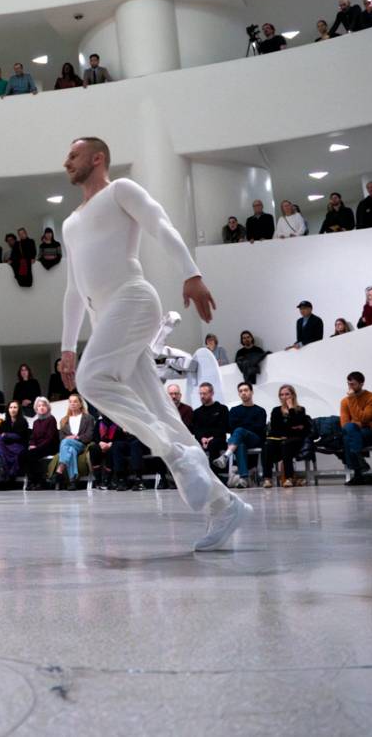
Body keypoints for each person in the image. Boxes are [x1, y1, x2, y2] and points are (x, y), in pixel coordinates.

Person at [57, 137, 247, 547]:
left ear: (97, 157)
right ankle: (224, 505)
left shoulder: (120, 190)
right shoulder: (70, 223)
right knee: (164, 412)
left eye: (73, 155)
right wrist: (67, 346)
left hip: (134, 299)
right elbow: (74, 290)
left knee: (92, 380)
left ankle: (177, 455)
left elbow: (161, 224)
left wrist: (191, 272)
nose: (66, 162)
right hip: (105, 315)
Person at [213, 382, 266, 488]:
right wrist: (247, 426)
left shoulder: (260, 411)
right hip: (239, 440)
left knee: (240, 430)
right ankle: (243, 478)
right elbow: (231, 427)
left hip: (254, 439)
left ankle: (226, 456)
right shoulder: (234, 410)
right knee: (240, 443)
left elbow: (259, 428)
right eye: (241, 391)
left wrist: (243, 427)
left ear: (251, 392)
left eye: (246, 390)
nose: (243, 393)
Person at [263, 385, 311, 487]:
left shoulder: (300, 410)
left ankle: (288, 478)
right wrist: (293, 428)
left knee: (286, 444)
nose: (284, 397)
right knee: (268, 445)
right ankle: (267, 478)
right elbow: (276, 427)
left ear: (293, 395)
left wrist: (291, 409)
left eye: (287, 394)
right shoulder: (276, 410)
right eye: (281, 395)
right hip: (279, 439)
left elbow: (296, 425)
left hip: (295, 440)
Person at [52, 394, 95, 490]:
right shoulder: (64, 420)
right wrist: (68, 437)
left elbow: (89, 435)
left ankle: (60, 469)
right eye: (70, 402)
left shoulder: (88, 418)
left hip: (81, 444)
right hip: (69, 445)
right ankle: (73, 481)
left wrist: (77, 437)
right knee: (71, 450)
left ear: (80, 404)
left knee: (66, 442)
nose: (72, 404)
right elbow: (61, 437)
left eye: (75, 401)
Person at [189, 382, 229, 467]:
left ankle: (214, 474)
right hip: (202, 440)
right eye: (200, 394)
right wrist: (202, 438)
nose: (202, 396)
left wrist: (212, 437)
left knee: (213, 443)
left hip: (218, 439)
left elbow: (224, 427)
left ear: (212, 393)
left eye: (204, 393)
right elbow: (196, 429)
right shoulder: (197, 412)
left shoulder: (222, 409)